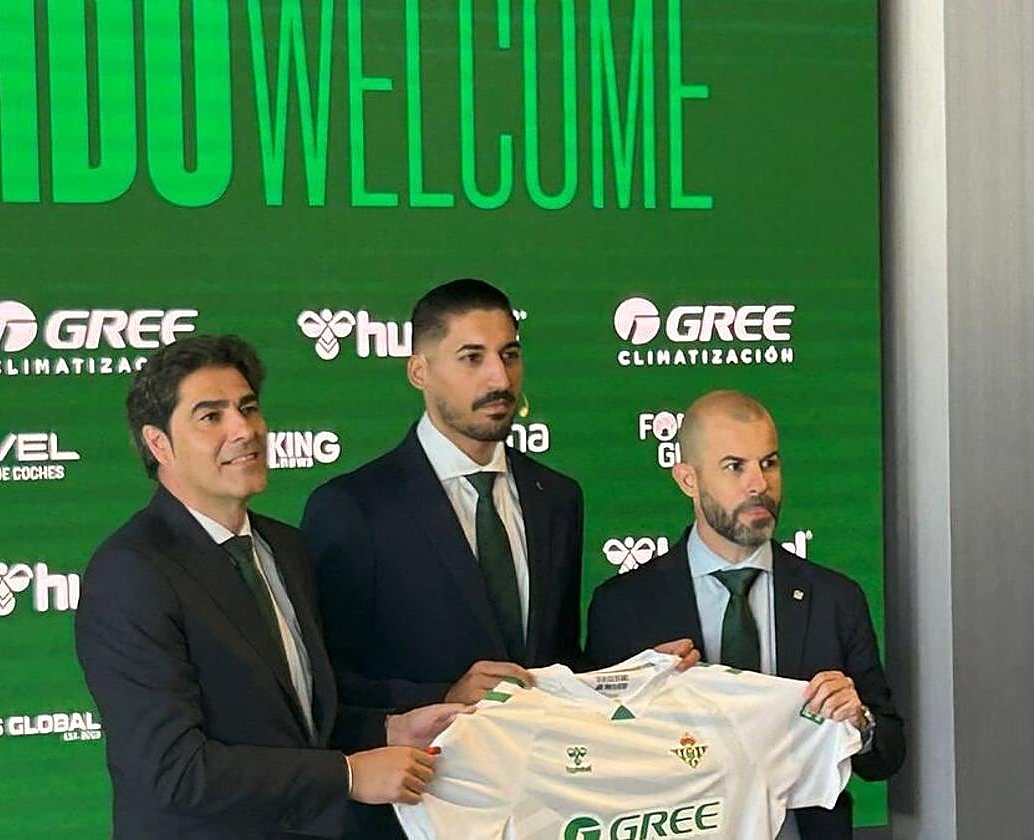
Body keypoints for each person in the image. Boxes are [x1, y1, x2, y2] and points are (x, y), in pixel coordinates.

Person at [302, 279, 697, 838]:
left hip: (544, 810)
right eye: (472, 358)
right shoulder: (353, 508)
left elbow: (554, 666)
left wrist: (635, 677)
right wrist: (443, 695)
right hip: (412, 814)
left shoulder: (557, 498)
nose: (499, 378)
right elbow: (321, 690)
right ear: (419, 371)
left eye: (510, 354)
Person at [75, 335, 460, 840]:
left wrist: (392, 729)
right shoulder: (132, 571)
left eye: (248, 408)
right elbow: (172, 770)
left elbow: (291, 720)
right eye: (211, 417)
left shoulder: (286, 548)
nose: (244, 430)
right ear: (158, 443)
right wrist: (347, 775)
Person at [586, 390, 905, 840]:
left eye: (769, 463)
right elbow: (595, 761)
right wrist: (638, 692)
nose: (758, 484)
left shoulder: (835, 598)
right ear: (687, 479)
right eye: (735, 466)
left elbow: (888, 753)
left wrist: (860, 723)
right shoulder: (624, 606)